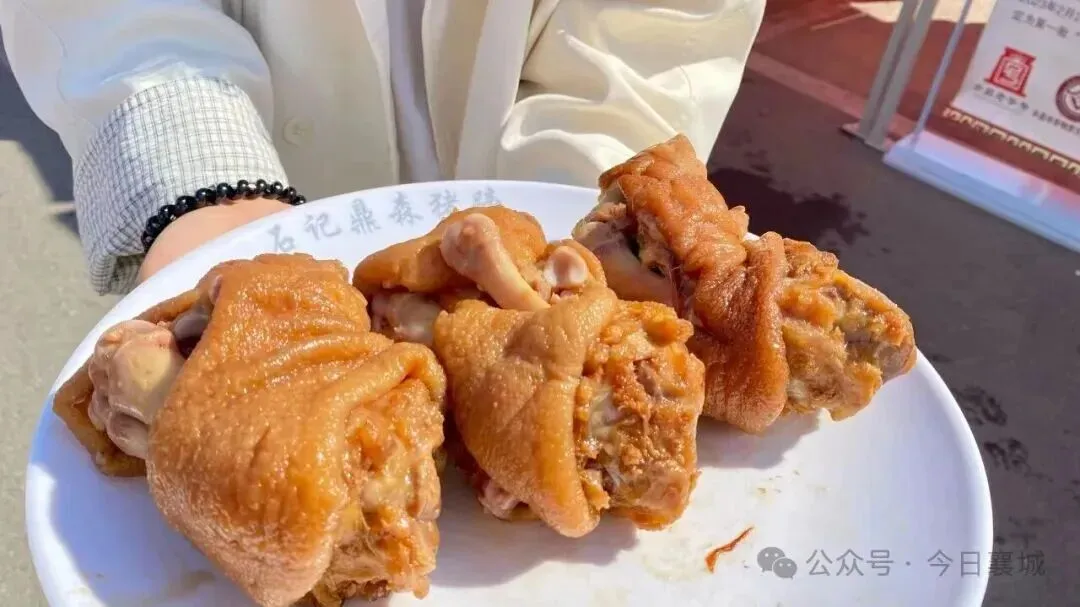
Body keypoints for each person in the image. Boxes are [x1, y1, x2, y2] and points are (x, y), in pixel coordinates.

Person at [0, 0, 765, 295]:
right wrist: (205, 180)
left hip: (537, 201)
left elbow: (643, 33)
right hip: (252, 182)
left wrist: (579, 226)